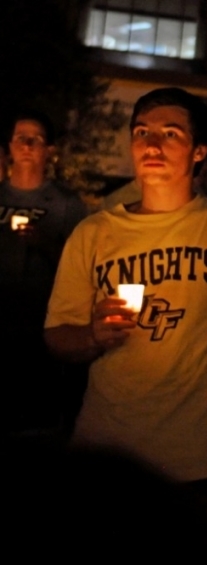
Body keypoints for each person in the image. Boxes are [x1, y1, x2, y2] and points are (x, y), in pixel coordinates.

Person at [43, 88, 207, 521]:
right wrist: (94, 335)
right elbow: (58, 338)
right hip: (107, 458)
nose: (151, 145)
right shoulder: (94, 234)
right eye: (141, 132)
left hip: (201, 464)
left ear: (199, 150)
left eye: (170, 134)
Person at [1, 110, 88, 436]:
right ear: (9, 146)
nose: (26, 145)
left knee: (35, 422)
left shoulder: (67, 205)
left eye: (34, 139)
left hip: (41, 327)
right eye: (19, 138)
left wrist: (44, 243)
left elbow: (80, 269)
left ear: (48, 150)